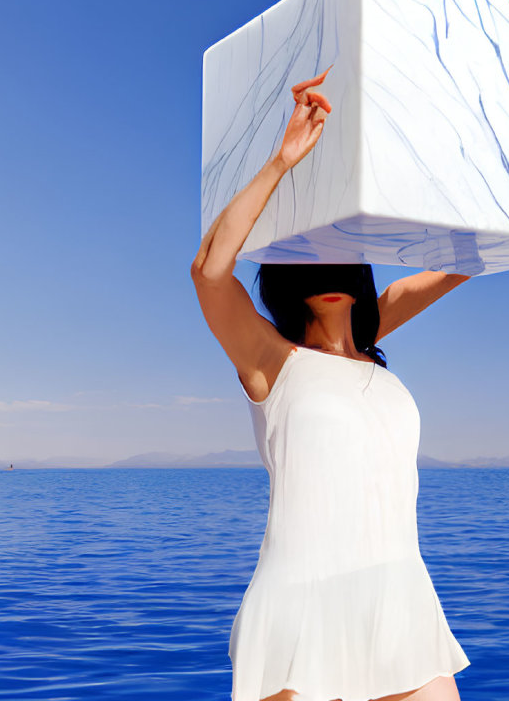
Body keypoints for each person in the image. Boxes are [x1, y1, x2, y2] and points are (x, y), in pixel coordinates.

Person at [191, 66, 473, 701]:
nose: (325, 270)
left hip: (401, 597)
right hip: (302, 607)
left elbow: (459, 263)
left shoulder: (373, 348)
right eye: (304, 260)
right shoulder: (272, 360)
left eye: (339, 255)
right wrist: (282, 161)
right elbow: (210, 272)